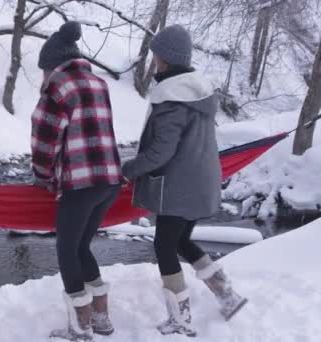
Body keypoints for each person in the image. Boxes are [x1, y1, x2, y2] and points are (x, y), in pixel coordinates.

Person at [121, 25, 248, 337]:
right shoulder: (197, 92)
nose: (154, 62)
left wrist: (128, 169)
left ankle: (181, 317)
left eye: (156, 56)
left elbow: (162, 152)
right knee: (180, 241)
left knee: (164, 245)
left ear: (166, 58)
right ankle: (226, 294)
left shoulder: (173, 98)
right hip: (201, 182)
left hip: (179, 187)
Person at [31, 21, 123, 341]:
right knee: (82, 245)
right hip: (110, 181)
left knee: (66, 250)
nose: (43, 76)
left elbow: (45, 140)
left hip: (81, 185)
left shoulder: (58, 86)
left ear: (52, 65)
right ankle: (101, 318)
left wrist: (42, 178)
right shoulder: (99, 83)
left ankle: (80, 327)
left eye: (44, 69)